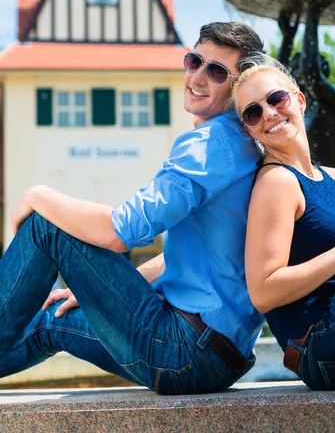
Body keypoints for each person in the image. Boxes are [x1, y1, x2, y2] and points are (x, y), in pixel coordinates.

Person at [1, 22, 266, 395]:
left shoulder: (209, 146)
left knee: (46, 225)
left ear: (240, 87)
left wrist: (37, 194)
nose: (198, 77)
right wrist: (98, 289)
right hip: (216, 357)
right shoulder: (242, 144)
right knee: (51, 321)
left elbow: (119, 232)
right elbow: (193, 258)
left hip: (183, 349)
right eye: (195, 61)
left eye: (217, 71)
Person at [232, 53, 335, 391]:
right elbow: (263, 292)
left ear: (299, 100)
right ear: (249, 129)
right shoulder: (276, 182)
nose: (268, 113)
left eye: (275, 98)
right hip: (327, 348)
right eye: (253, 112)